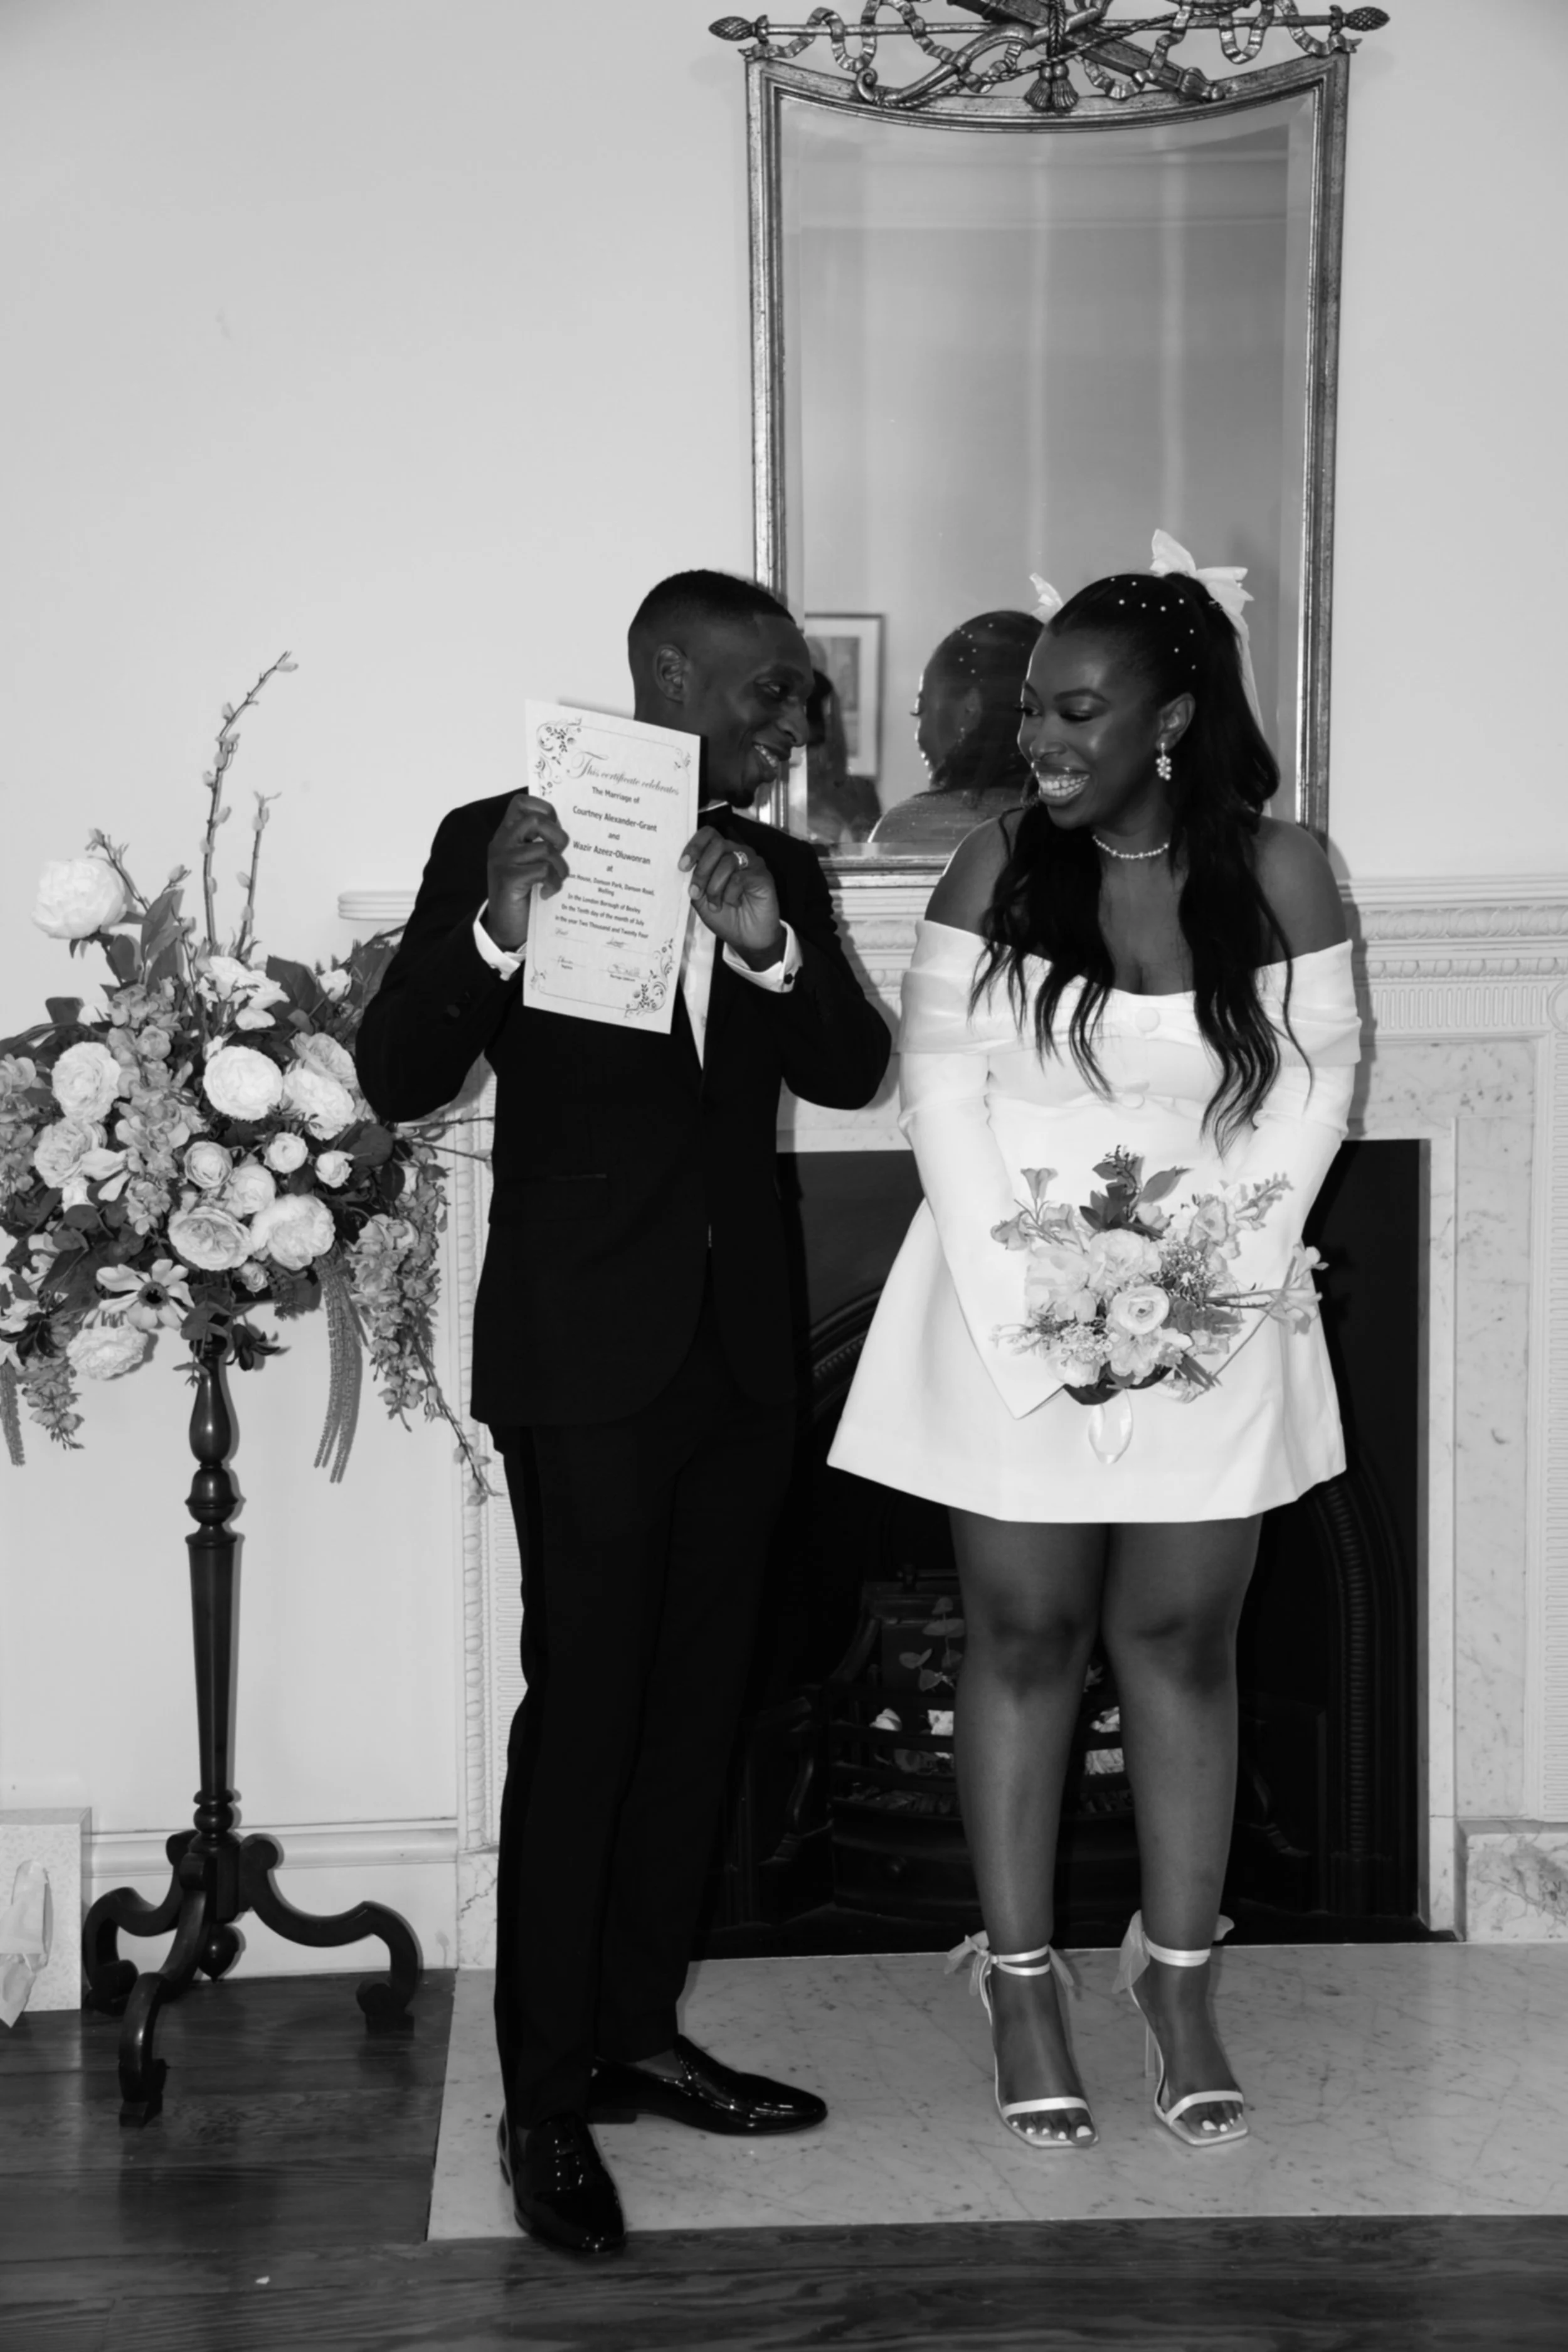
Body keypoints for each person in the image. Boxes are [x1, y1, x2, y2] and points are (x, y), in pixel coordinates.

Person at [356, 570, 892, 2255]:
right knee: (585, 1709)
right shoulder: (492, 834)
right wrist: (498, 926)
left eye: (799, 695)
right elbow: (399, 1071)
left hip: (742, 1359)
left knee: (698, 1708)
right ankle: (539, 2096)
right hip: (586, 1361)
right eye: (769, 690)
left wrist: (769, 943)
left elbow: (851, 1068)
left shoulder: (776, 867)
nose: (792, 720)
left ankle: (639, 2030)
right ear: (672, 670)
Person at [830, 545, 1357, 2152]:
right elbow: (937, 1094)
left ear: (1173, 718)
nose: (1038, 738)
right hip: (1006, 1315)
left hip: (1218, 1307)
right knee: (1023, 1633)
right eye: (1029, 710)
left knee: (1189, 1640)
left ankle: (1177, 1975)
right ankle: (1022, 1973)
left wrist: (1202, 1291)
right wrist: (1038, 1307)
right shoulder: (992, 863)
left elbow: (1317, 1089)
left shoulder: (1285, 868)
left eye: (1076, 708)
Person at [869, 610, 1042, 852]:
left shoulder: (910, 827)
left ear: (970, 709)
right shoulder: (1079, 822)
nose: (919, 737)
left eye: (921, 709)